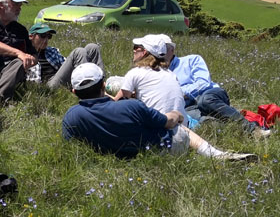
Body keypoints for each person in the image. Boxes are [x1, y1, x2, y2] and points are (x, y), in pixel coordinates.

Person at [64, 63, 256, 162]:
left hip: (113, 155)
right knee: (181, 129)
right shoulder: (131, 106)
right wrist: (177, 115)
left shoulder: (71, 117)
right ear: (103, 84)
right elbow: (167, 122)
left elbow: (73, 144)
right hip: (158, 150)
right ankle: (215, 154)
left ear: (74, 92)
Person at [161, 35, 268, 136]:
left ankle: (253, 130)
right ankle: (239, 133)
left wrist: (180, 92)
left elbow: (203, 83)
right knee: (203, 122)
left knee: (205, 101)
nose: (160, 54)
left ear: (172, 49)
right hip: (189, 106)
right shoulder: (159, 74)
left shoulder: (191, 60)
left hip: (210, 94)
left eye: (163, 49)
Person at [112, 35, 185, 117]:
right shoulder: (171, 74)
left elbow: (118, 104)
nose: (134, 51)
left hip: (158, 122)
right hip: (181, 122)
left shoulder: (135, 73)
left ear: (144, 52)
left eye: (136, 47)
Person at [26, 21, 105, 90]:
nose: (46, 39)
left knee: (92, 47)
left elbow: (65, 64)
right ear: (31, 36)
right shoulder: (26, 55)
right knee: (78, 52)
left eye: (49, 36)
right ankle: (86, 88)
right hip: (48, 85)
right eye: (42, 36)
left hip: (60, 78)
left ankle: (101, 85)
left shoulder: (51, 51)